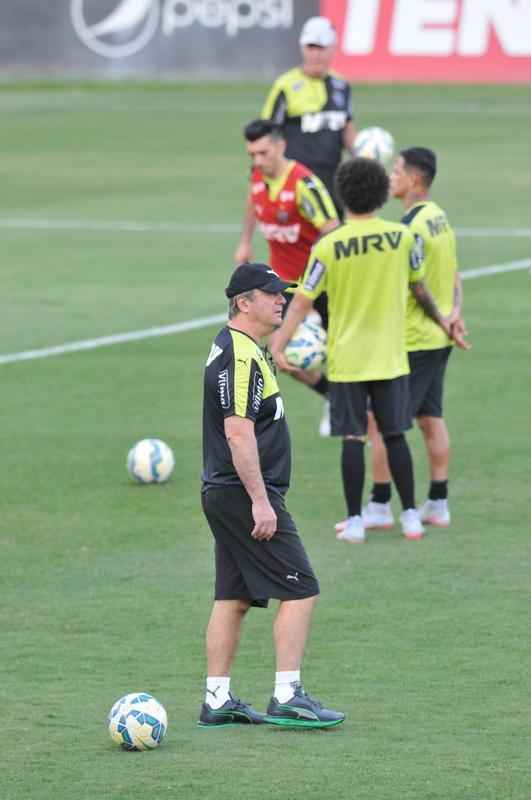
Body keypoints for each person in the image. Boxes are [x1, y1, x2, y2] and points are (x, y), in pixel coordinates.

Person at [271, 158, 463, 543]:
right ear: (379, 196)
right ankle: (411, 516)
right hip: (390, 356)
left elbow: (302, 302)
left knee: (354, 438)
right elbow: (420, 289)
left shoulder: (327, 246)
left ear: (343, 196)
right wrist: (445, 320)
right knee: (395, 435)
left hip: (347, 359)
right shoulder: (401, 238)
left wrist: (278, 344)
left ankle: (356, 521)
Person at [199, 261, 345, 729]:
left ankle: (217, 700)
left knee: (233, 597)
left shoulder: (243, 348)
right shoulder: (239, 356)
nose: (283, 299)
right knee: (301, 590)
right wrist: (261, 502)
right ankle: (287, 695)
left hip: (228, 492)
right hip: (243, 494)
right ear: (244, 303)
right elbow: (238, 433)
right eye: (272, 293)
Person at [363, 148, 469, 531]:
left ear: (414, 179)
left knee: (381, 422)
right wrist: (454, 315)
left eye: (396, 171)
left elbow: (417, 286)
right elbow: (453, 271)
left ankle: (379, 505)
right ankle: (438, 503)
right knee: (430, 417)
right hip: (437, 339)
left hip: (414, 340)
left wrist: (442, 317)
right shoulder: (439, 217)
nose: (390, 177)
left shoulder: (410, 229)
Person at [234, 118, 339, 434]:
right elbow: (253, 200)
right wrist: (244, 241)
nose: (257, 161)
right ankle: (334, 397)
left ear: (280, 146)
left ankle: (359, 413)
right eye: (252, 154)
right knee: (284, 354)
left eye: (263, 153)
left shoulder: (304, 185)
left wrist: (316, 275)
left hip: (322, 286)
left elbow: (332, 230)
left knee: (341, 353)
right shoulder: (258, 175)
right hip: (285, 285)